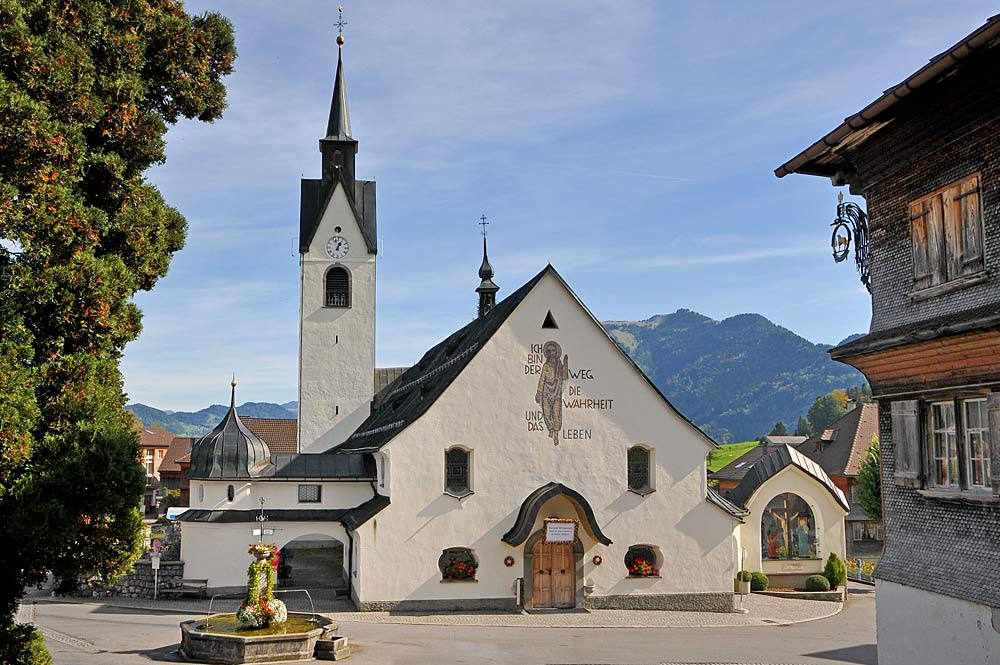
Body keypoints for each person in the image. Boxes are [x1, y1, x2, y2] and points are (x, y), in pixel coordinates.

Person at [535, 341, 569, 445]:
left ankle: (556, 435)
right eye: (549, 351)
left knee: (557, 413)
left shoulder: (559, 365)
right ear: (547, 353)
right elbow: (542, 380)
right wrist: (539, 393)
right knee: (547, 412)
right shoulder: (546, 366)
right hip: (546, 392)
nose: (551, 353)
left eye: (553, 350)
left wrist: (566, 363)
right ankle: (550, 428)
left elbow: (564, 377)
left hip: (557, 392)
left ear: (556, 352)